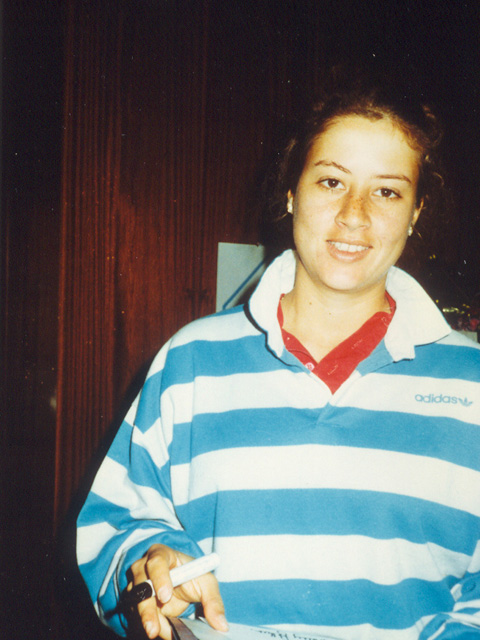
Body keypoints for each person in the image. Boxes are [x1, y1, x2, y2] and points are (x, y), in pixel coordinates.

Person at [77, 71, 480, 640]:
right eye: (332, 181)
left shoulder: (472, 385)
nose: (355, 214)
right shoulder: (190, 362)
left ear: (415, 212)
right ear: (292, 191)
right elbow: (112, 536)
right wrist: (150, 564)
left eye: (387, 191)